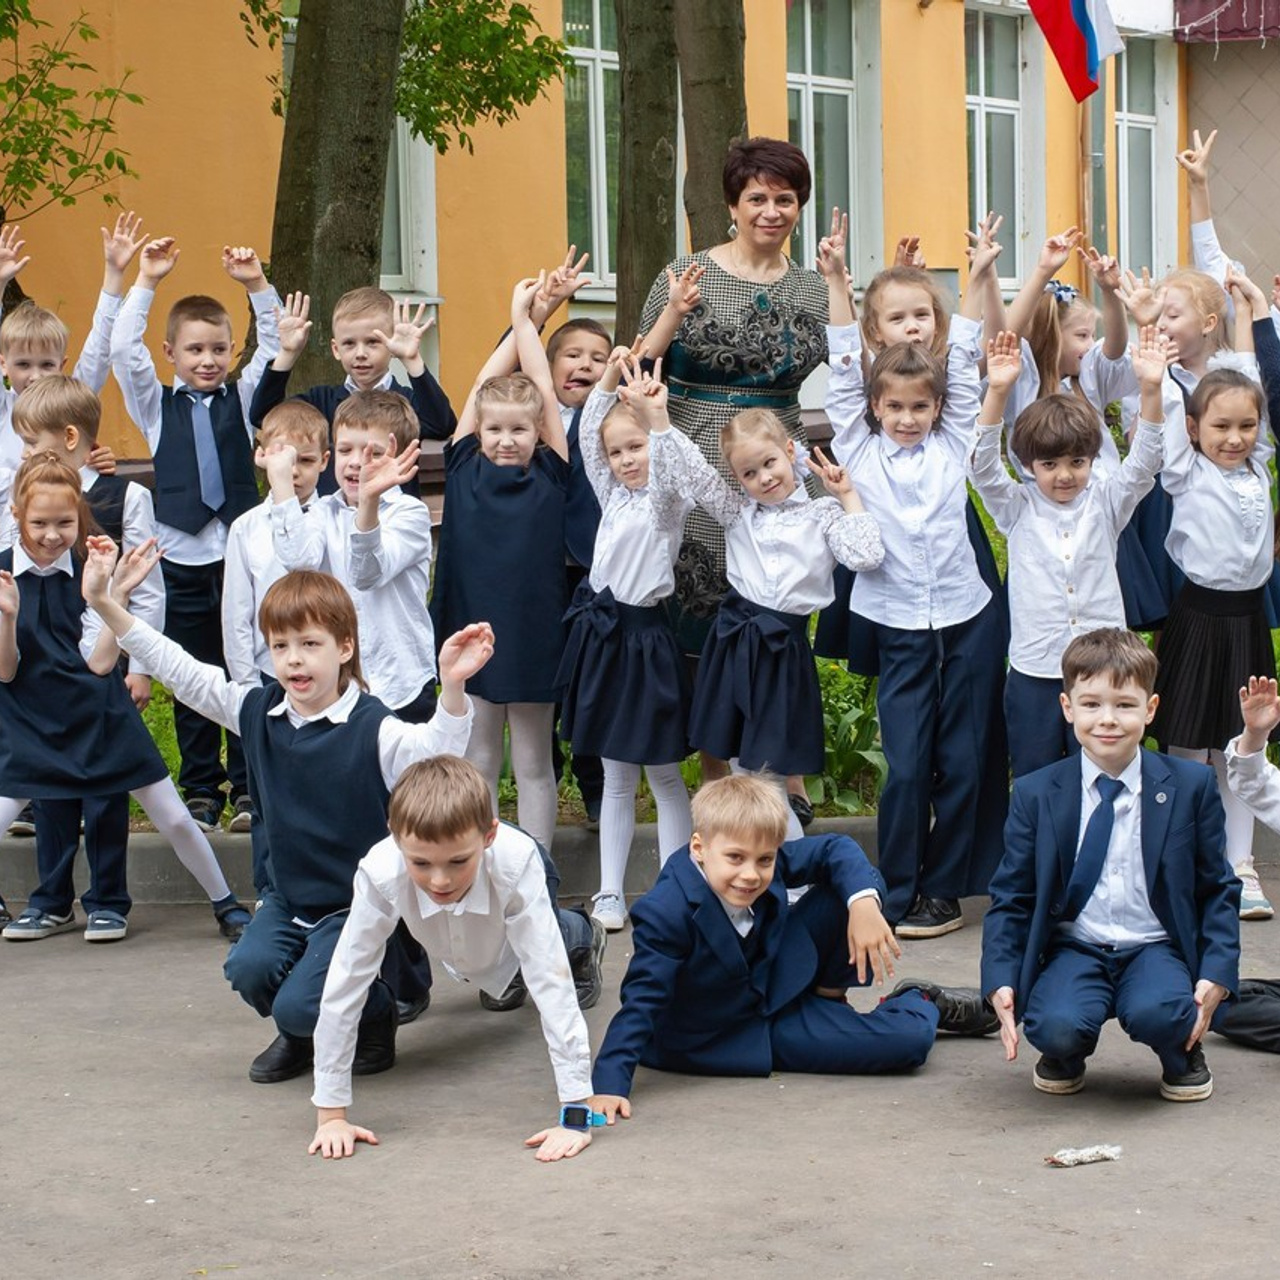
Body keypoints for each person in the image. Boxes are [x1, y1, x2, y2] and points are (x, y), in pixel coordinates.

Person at [83, 544, 493, 1083]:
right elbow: (179, 670)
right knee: (248, 970)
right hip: (286, 895)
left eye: (309, 644)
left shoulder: (375, 727)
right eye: (280, 646)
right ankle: (304, 1033)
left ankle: (371, 1014)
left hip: (355, 905)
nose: (294, 659)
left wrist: (454, 686)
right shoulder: (256, 712)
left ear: (345, 647)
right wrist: (106, 604)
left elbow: (439, 750)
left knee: (297, 1004)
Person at [588, 774, 990, 1121]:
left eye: (764, 859)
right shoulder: (665, 912)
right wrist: (608, 1085)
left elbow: (837, 848)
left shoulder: (763, 859)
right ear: (698, 848)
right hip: (737, 1029)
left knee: (855, 887)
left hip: (776, 973)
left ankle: (829, 997)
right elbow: (641, 1001)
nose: (750, 874)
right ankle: (921, 1000)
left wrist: (864, 902)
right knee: (909, 1044)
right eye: (735, 858)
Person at [823, 220, 1007, 937]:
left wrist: (974, 273)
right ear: (873, 408)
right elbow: (844, 363)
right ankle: (894, 888)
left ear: (937, 408)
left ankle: (942, 890)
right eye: (893, 407)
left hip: (967, 616)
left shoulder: (956, 436)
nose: (906, 418)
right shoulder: (858, 448)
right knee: (906, 764)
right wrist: (838, 281)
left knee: (962, 758)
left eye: (918, 407)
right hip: (897, 621)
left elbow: (958, 357)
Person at [982, 628, 1240, 1102]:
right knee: (1054, 1024)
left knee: (1162, 1011)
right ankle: (1064, 1050)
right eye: (1091, 704)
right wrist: (998, 978)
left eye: (1124, 705)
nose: (1108, 720)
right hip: (1076, 947)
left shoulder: (1192, 786)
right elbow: (1012, 896)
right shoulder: (1038, 793)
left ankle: (1181, 1050)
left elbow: (1217, 887)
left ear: (1151, 708)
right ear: (1067, 708)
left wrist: (1218, 972)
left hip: (1155, 944)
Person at [0, 454, 249, 941]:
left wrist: (113, 596)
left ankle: (228, 905)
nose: (52, 535)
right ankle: (53, 906)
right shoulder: (4, 574)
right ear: (16, 515)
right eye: (40, 523)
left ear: (80, 518)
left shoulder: (91, 567)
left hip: (100, 716)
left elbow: (97, 664)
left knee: (175, 818)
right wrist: (7, 616)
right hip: (30, 723)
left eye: (65, 523)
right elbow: (6, 671)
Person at [307, 754, 605, 1162]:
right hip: (461, 935)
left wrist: (576, 1114)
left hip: (517, 885)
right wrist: (331, 1114)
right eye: (421, 863)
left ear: (488, 836)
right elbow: (347, 977)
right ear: (396, 839)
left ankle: (582, 932)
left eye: (457, 862)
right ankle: (495, 959)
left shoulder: (516, 866)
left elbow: (549, 979)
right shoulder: (379, 872)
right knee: (489, 974)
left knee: (541, 950)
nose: (440, 880)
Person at [645, 369, 883, 842]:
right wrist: (659, 419)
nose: (763, 478)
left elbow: (867, 555)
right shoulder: (738, 515)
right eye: (748, 473)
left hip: (781, 653)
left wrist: (848, 495)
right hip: (733, 645)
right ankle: (765, 869)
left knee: (769, 774)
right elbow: (694, 472)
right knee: (740, 767)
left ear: (790, 451)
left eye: (769, 463)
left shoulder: (822, 514)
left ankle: (794, 876)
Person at [108, 234, 281, 835]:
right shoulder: (155, 406)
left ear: (233, 351)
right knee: (191, 673)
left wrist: (257, 287)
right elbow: (122, 350)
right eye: (194, 350)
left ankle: (251, 789)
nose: (207, 360)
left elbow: (277, 345)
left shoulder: (244, 396)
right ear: (171, 353)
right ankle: (201, 788)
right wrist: (147, 281)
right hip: (179, 559)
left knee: (247, 669)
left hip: (239, 557)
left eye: (218, 349)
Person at [1, 375, 175, 938]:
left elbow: (146, 591)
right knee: (51, 792)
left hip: (102, 660)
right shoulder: (24, 499)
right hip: (41, 674)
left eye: (31, 444)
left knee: (105, 791)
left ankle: (108, 898)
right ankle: (50, 898)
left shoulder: (126, 497)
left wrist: (142, 666)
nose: (24, 455)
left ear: (69, 437)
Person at [970, 328, 1167, 778]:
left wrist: (1151, 388)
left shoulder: (1107, 503)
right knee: (1035, 779)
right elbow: (981, 466)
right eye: (1050, 464)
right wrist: (998, 391)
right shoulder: (1016, 506)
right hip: (1036, 671)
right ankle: (1039, 852)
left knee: (1104, 775)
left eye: (1077, 462)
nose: (1064, 475)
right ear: (1028, 465)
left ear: (1092, 462)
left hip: (1103, 672)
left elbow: (1145, 460)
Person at [1149, 270, 1279, 920]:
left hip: (1248, 621)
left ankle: (1239, 865)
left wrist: (1253, 311)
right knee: (1186, 747)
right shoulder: (1185, 471)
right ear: (1196, 428)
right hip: (1198, 617)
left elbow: (1246, 378)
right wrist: (1157, 366)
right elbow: (1174, 407)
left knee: (1239, 746)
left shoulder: (1259, 463)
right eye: (1220, 427)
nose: (1234, 437)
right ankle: (1181, 860)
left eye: (1246, 426)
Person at [430, 274, 569, 855]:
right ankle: (481, 856)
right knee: (480, 751)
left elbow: (540, 380)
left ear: (539, 430)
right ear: (479, 431)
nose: (507, 439)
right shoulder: (463, 465)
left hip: (536, 634)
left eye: (520, 429)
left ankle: (537, 863)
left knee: (535, 757)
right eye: (495, 429)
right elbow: (483, 385)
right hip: (473, 628)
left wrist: (529, 321)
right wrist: (522, 317)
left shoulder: (553, 469)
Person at [556, 352, 694, 931]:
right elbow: (589, 429)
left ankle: (675, 887)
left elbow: (674, 464)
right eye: (618, 453)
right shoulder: (613, 494)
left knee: (662, 773)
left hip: (645, 641)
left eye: (635, 448)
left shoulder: (666, 502)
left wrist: (653, 420)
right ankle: (610, 892)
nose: (625, 460)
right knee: (614, 774)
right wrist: (609, 377)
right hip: (604, 642)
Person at [1001, 230, 1167, 632]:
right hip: (1043, 518)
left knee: (1108, 627)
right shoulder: (1022, 384)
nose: (1089, 344)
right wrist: (1042, 273)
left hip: (1099, 516)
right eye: (1080, 335)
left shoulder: (1087, 380)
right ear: (1050, 336)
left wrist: (1110, 293)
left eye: (1090, 334)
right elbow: (1009, 332)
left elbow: (1113, 348)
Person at [268, 391, 438, 724]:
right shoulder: (322, 510)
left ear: (399, 457)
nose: (356, 462)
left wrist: (369, 503)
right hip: (341, 684)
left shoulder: (410, 514)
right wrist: (281, 487)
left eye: (373, 452)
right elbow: (298, 562)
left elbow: (368, 574)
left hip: (399, 682)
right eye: (346, 450)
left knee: (406, 775)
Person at [222, 398, 330, 890]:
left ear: (324, 461)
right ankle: (270, 889)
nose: (297, 471)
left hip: (329, 679)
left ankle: (327, 882)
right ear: (261, 455)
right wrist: (245, 683)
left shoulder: (330, 519)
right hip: (270, 677)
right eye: (285, 459)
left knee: (324, 786)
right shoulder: (246, 528)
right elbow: (237, 611)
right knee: (270, 792)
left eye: (307, 461)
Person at [248, 287, 454, 496]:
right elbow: (263, 416)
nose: (361, 353)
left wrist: (412, 359)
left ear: (392, 344)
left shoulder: (406, 401)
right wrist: (287, 354)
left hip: (392, 520)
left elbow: (442, 424)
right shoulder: (321, 402)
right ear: (336, 349)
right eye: (349, 344)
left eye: (373, 342)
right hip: (333, 522)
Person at [0, 211, 142, 507]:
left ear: (63, 366)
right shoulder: (4, 407)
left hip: (60, 533)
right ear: (3, 364)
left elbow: (99, 348)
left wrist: (114, 274)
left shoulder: (68, 404)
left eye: (47, 365)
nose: (36, 375)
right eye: (23, 364)